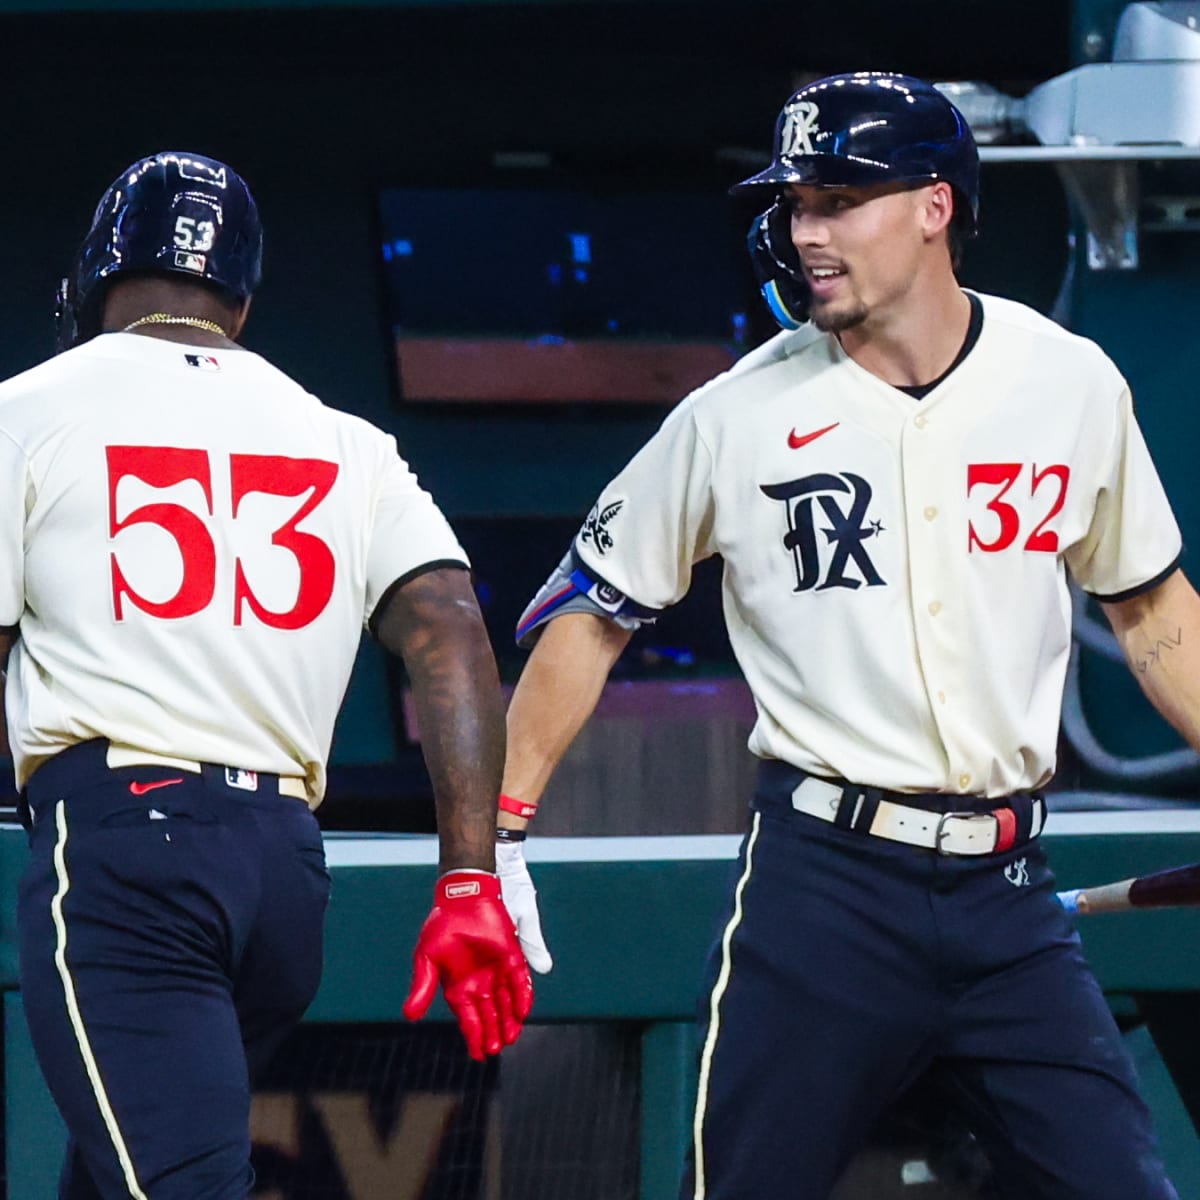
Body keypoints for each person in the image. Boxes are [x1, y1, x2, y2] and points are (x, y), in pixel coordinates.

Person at [496, 73, 1192, 1199]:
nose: (805, 232)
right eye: (797, 205)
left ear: (935, 206)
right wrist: (505, 834)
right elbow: (591, 609)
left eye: (837, 201)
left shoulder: (1069, 384)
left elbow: (1156, 617)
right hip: (826, 890)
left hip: (1009, 893)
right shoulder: (738, 412)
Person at [0, 151, 532, 1200]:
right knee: (124, 1170)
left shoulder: (28, 407)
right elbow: (451, 631)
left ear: (99, 279)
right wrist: (470, 874)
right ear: (237, 300)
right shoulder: (346, 437)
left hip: (127, 855)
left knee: (180, 1180)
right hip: (284, 876)